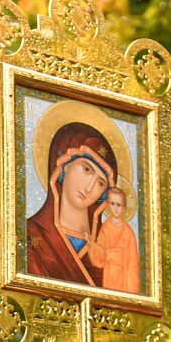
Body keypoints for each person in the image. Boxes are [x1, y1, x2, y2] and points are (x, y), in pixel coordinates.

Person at [23, 117, 140, 294]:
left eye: (101, 183)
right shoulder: (29, 235)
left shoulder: (109, 243)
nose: (90, 187)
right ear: (64, 165)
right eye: (86, 169)